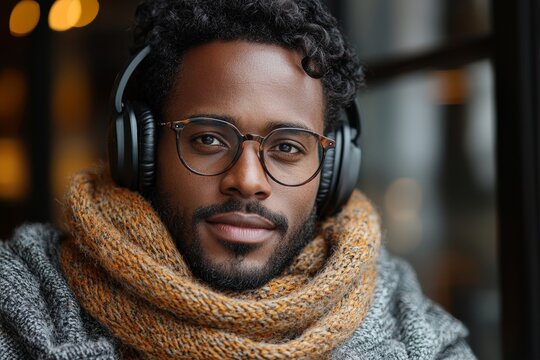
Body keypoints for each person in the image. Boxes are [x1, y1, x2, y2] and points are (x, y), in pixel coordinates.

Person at [0, 0, 476, 358]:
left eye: (288, 147)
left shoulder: (416, 332)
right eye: (208, 140)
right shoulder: (25, 302)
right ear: (140, 151)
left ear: (332, 172)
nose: (247, 181)